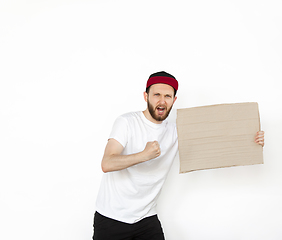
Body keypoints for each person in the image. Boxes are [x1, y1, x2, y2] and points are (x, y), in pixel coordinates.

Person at [93, 71, 265, 240]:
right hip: (111, 218)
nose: (162, 101)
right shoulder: (127, 122)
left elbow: (217, 140)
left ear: (174, 100)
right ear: (146, 96)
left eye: (167, 96)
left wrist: (251, 140)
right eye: (156, 95)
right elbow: (107, 163)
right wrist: (143, 155)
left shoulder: (177, 131)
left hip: (146, 218)